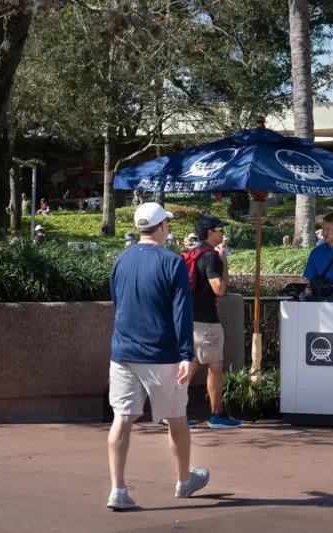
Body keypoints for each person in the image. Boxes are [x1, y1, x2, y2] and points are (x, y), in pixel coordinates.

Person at [106, 202, 209, 511]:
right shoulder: (173, 262)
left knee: (122, 419)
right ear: (162, 226)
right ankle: (183, 481)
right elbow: (182, 310)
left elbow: (117, 301)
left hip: (123, 351)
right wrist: (186, 354)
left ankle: (117, 490)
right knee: (176, 417)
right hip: (162, 353)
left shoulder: (121, 260)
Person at [184, 214, 240, 429]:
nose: (222, 233)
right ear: (209, 232)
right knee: (215, 368)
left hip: (191, 319)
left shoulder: (194, 252)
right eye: (219, 229)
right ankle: (216, 415)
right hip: (207, 322)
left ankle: (171, 410)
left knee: (190, 367)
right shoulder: (210, 256)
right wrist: (224, 262)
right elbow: (219, 289)